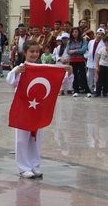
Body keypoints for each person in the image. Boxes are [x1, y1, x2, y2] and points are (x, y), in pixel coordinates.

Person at [6, 40, 72, 178]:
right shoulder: (21, 67)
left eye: (37, 51)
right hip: (24, 108)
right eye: (31, 51)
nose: (35, 54)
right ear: (25, 53)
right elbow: (10, 80)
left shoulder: (43, 68)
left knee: (36, 138)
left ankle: (35, 165)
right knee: (22, 139)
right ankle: (23, 167)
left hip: (39, 109)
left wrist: (68, 73)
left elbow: (58, 80)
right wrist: (17, 72)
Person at [67, 27, 91, 97]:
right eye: (73, 32)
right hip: (72, 61)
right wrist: (78, 50)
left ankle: (87, 91)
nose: (74, 33)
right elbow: (68, 51)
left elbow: (83, 50)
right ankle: (75, 90)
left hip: (80, 60)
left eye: (76, 32)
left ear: (79, 33)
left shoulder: (83, 41)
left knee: (83, 75)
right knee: (74, 76)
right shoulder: (70, 41)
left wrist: (74, 51)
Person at [86, 28, 105, 93]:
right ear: (96, 34)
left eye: (101, 34)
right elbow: (88, 50)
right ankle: (89, 88)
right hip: (90, 61)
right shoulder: (91, 42)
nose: (99, 35)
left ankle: (96, 89)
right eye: (98, 34)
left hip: (98, 62)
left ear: (103, 36)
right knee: (89, 76)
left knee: (96, 76)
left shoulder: (104, 44)